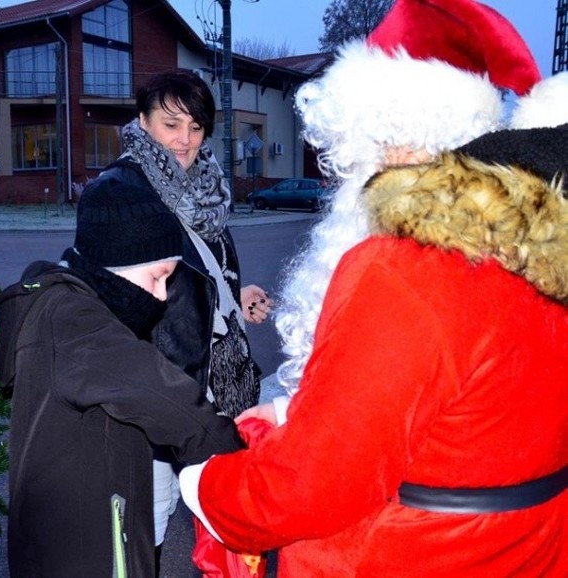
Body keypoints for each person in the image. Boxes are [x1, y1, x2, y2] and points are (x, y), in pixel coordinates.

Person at [179, 0, 567, 576]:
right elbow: (461, 409)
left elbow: (311, 485)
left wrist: (208, 486)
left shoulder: (403, 267)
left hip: (408, 554)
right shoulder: (537, 245)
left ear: (393, 142)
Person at [0, 181, 243, 578]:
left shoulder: (60, 302)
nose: (161, 297)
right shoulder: (81, 326)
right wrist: (238, 450)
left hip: (64, 535)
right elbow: (169, 400)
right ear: (115, 268)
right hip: (91, 552)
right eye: (157, 277)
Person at [81, 68, 272, 564]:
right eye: (171, 124)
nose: (185, 140)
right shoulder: (118, 193)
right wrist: (143, 388)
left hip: (212, 372)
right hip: (159, 378)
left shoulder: (203, 187)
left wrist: (232, 293)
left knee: (212, 502)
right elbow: (109, 300)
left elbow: (195, 273)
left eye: (196, 126)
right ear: (142, 122)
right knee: (154, 507)